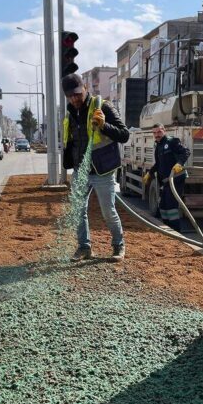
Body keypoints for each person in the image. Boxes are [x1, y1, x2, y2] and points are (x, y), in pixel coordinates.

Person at [62, 73, 129, 262]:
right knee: (78, 211)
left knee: (108, 211)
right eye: (70, 95)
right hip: (80, 171)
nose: (75, 98)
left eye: (77, 93)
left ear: (85, 88)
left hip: (103, 170)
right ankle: (84, 247)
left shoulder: (103, 106)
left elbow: (124, 135)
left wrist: (104, 125)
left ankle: (118, 245)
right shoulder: (70, 113)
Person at [143, 123, 190, 232]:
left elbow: (186, 152)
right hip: (166, 181)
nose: (157, 135)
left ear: (164, 131)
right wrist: (150, 173)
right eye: (154, 133)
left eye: (159, 132)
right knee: (163, 206)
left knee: (171, 206)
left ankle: (176, 231)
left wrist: (180, 163)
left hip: (176, 179)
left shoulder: (172, 141)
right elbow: (158, 164)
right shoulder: (158, 146)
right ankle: (167, 229)